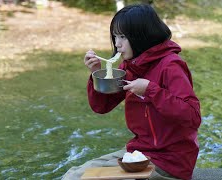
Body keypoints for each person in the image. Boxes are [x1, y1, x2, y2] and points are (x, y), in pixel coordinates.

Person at [63, 3, 201, 180]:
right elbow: (101, 106)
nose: (117, 44)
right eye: (115, 36)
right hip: (140, 153)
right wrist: (97, 73)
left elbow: (192, 116)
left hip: (170, 162)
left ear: (141, 36)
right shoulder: (130, 66)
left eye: (122, 37)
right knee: (73, 175)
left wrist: (150, 90)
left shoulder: (171, 65)